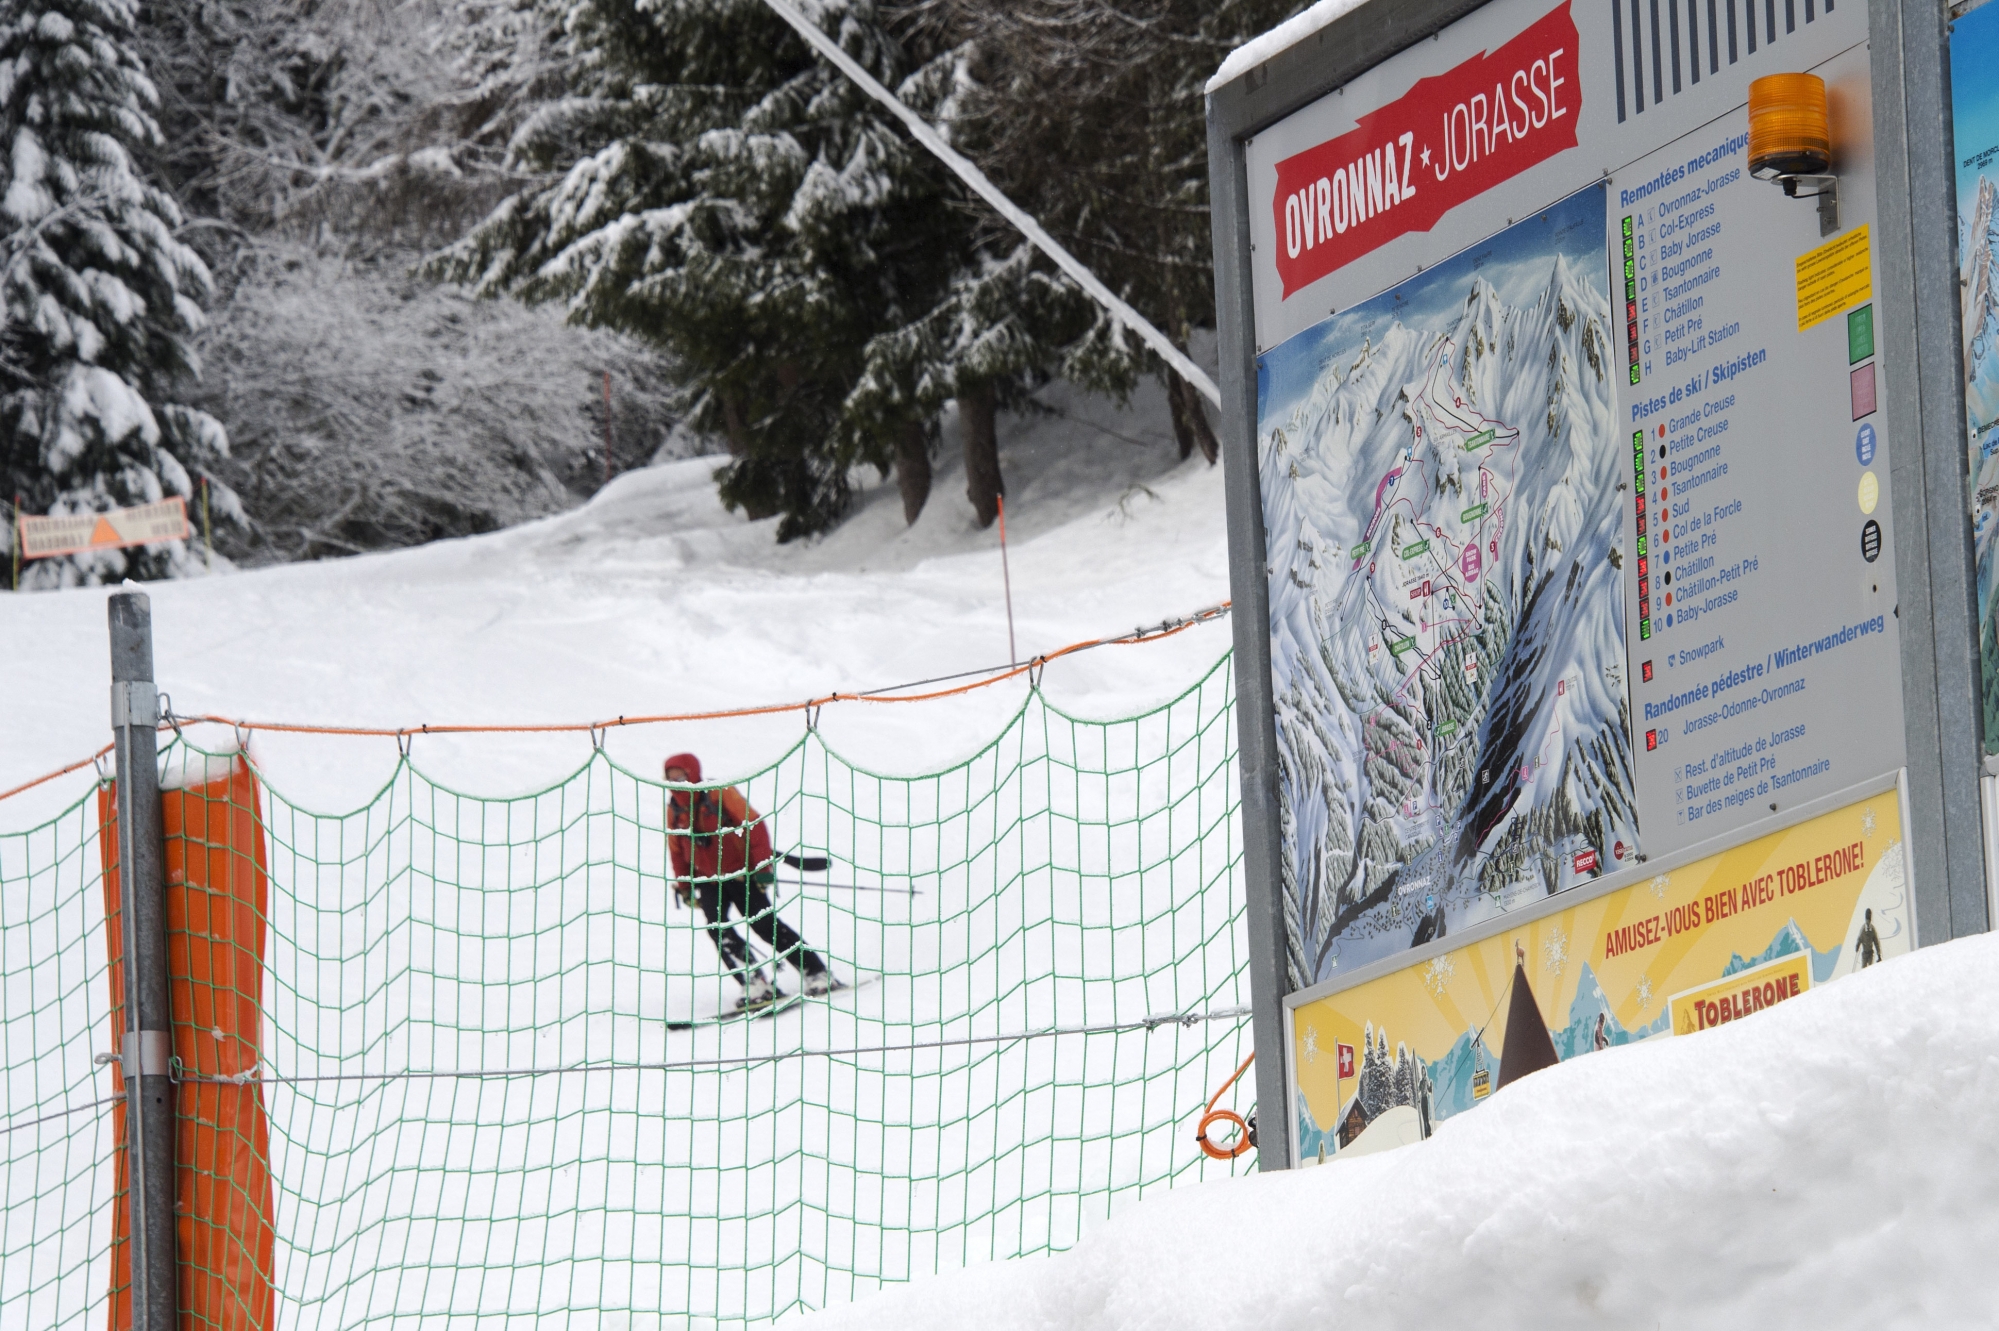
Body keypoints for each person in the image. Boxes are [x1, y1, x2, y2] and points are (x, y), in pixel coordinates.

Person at [662, 752, 838, 1006]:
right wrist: (685, 887)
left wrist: (763, 868)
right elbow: (677, 851)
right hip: (708, 880)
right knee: (718, 929)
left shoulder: (719, 793)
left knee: (764, 925)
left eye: (681, 777)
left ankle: (816, 971)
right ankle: (755, 982)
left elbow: (754, 825)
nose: (676, 782)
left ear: (693, 774)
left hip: (741, 873)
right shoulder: (674, 810)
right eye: (671, 778)